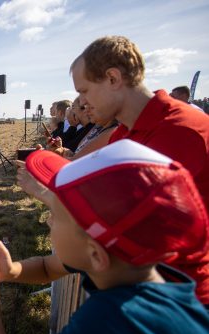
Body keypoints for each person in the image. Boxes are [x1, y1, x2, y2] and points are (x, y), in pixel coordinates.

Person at [19, 35, 209, 305]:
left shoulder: (180, 132)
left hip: (180, 299)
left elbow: (131, 229)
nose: (81, 103)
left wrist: (54, 203)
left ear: (112, 78)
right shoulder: (124, 134)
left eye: (84, 90)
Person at [0, 140, 209, 334]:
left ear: (95, 254)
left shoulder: (110, 324)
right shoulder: (130, 268)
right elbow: (48, 268)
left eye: (55, 215)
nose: (48, 221)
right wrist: (11, 270)